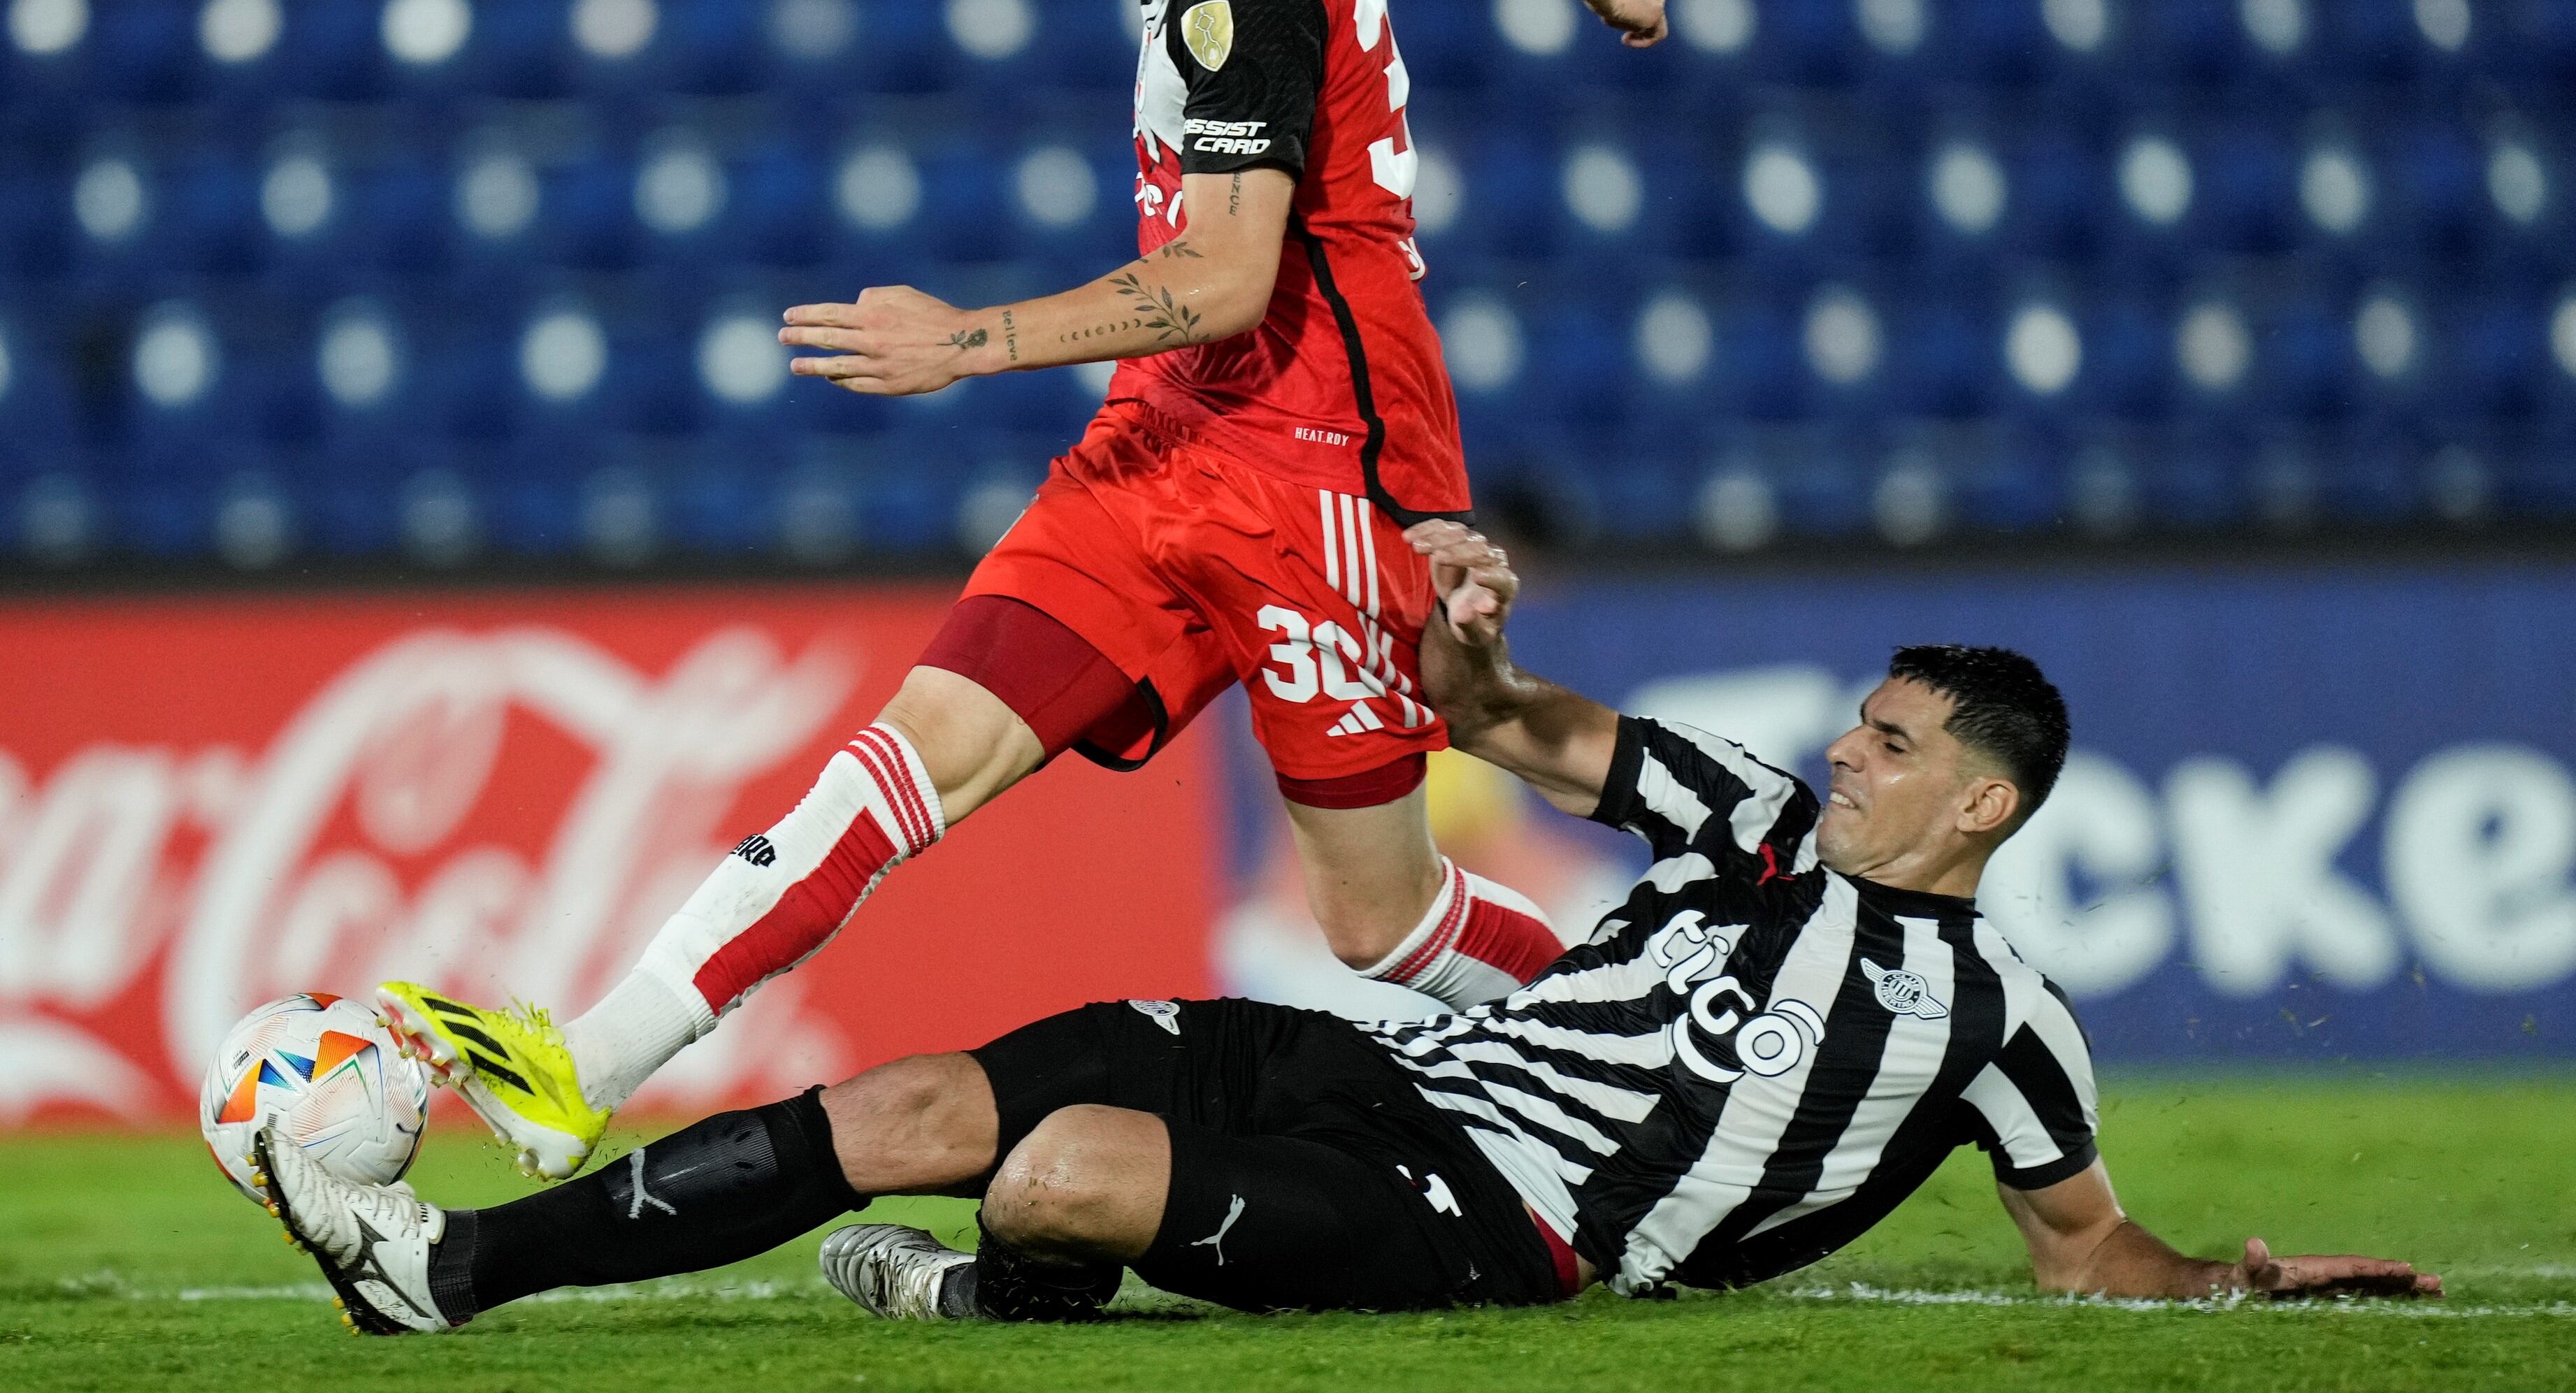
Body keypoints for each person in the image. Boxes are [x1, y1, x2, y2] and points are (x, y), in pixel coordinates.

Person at [368, 0, 1673, 1183]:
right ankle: (578, 1063)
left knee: (1379, 924)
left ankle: (1649, 1046)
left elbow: (1225, 277)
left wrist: (963, 342)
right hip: (1168, 436)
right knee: (909, 753)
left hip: (1327, 469)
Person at [259, 524, 2438, 1332]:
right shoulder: (1755, 821)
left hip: (1496, 1215)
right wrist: (1466, 635)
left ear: (1985, 795)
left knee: (1058, 1174)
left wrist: (2236, 1284)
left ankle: (1000, 1295)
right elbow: (1526, 729)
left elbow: (2081, 1248)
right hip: (1382, 1070)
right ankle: (451, 1272)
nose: (1844, 755)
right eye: (1853, 727)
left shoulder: (1996, 1015)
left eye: (1886, 743)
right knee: (923, 1090)